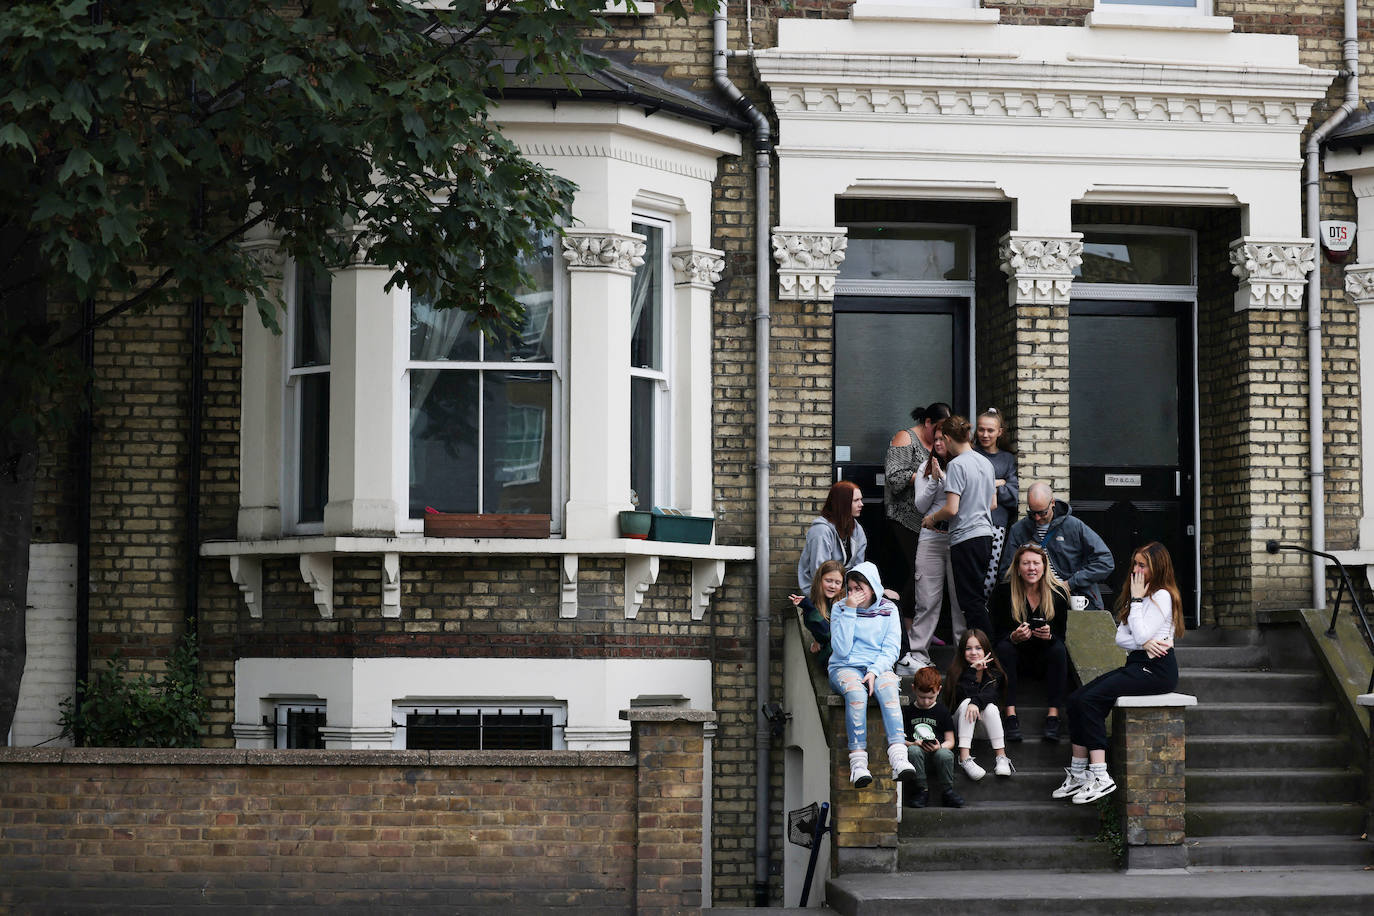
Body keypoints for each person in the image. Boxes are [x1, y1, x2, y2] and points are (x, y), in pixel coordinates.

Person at [1053, 541, 1182, 804]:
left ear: (1157, 567)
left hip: (1157, 670)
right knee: (1077, 698)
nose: (1136, 570)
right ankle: (1078, 773)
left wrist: (1138, 615)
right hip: (1137, 664)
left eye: (1142, 565)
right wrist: (1143, 641)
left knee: (1091, 700)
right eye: (1134, 563)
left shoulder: (1162, 596)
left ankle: (1101, 775)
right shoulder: (1141, 599)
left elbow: (1142, 633)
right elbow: (1121, 638)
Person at [828, 562, 919, 789]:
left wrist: (874, 671)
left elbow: (891, 649)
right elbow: (840, 649)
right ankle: (858, 763)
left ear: (872, 587)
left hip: (878, 666)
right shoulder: (840, 608)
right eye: (850, 588)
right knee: (856, 694)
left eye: (859, 588)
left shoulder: (889, 609)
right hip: (844, 666)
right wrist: (849, 610)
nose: (854, 593)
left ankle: (899, 757)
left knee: (889, 690)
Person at [921, 416, 996, 638]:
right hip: (985, 536)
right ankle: (983, 654)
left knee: (969, 603)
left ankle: (987, 657)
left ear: (947, 437)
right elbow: (992, 504)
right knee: (977, 598)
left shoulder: (956, 465)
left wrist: (931, 518)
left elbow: (951, 509)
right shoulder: (986, 463)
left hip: (965, 539)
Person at [885, 402, 953, 638]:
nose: (941, 434)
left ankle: (922, 626)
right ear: (927, 423)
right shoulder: (906, 438)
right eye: (938, 428)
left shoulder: (941, 442)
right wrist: (926, 476)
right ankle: (906, 625)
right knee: (917, 572)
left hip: (931, 521)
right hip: (905, 518)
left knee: (929, 575)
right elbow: (894, 478)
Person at [990, 544, 1070, 743]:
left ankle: (1053, 716)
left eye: (1036, 563)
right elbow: (995, 635)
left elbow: (1061, 636)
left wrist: (1049, 636)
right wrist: (1012, 637)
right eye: (1026, 563)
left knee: (1058, 650)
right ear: (1018, 567)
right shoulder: (1002, 593)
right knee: (1005, 648)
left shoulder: (1057, 595)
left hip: (1043, 661)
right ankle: (1010, 716)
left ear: (1044, 567)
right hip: (1014, 660)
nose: (1031, 568)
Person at [999, 482, 1114, 609]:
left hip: (1073, 597)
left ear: (1052, 503)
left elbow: (1105, 561)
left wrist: (1071, 583)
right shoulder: (1019, 529)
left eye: (1042, 513)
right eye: (1032, 512)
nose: (1037, 518)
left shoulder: (1074, 526)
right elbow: (1007, 572)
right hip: (1034, 600)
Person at [910, 433, 961, 669]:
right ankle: (918, 655)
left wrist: (946, 478)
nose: (939, 443)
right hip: (931, 539)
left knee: (960, 600)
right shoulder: (925, 467)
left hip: (958, 538)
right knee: (926, 599)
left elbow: (963, 502)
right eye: (936, 439)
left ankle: (965, 655)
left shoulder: (962, 465)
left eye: (944, 438)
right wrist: (935, 479)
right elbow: (920, 505)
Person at [947, 628, 1014, 780]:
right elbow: (960, 696)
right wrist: (971, 672)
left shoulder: (995, 673)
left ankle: (1001, 757)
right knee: (966, 703)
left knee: (990, 708)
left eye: (978, 648)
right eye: (968, 648)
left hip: (984, 728)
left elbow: (991, 695)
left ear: (986, 650)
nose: (973, 652)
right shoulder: (955, 671)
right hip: (961, 727)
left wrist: (975, 702)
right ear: (962, 651)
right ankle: (964, 758)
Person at [902, 666, 964, 808]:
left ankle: (947, 791)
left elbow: (951, 741)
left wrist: (939, 746)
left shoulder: (942, 711)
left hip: (937, 754)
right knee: (913, 751)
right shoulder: (908, 711)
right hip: (916, 757)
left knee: (945, 754)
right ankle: (922, 790)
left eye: (931, 697)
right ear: (913, 688)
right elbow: (899, 739)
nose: (926, 702)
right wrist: (912, 744)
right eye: (921, 697)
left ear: (939, 690)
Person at [974, 408, 1018, 597]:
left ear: (1000, 432)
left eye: (990, 430)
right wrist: (997, 482)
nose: (985, 434)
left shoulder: (1007, 459)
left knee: (990, 577)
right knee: (972, 574)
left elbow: (1014, 496)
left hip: (997, 525)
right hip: (971, 523)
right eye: (981, 429)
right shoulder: (971, 455)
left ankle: (983, 620)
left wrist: (988, 486)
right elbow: (970, 489)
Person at [798, 480, 867, 593]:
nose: (861, 504)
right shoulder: (821, 530)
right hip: (820, 592)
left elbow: (858, 568)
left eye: (860, 499)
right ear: (842, 503)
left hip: (844, 589)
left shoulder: (856, 528)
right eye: (856, 500)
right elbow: (819, 571)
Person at [790, 559, 845, 668]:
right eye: (828, 580)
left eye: (837, 582)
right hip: (832, 661)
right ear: (819, 581)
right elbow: (826, 633)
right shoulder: (812, 608)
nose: (833, 586)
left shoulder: (846, 604)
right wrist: (809, 607)